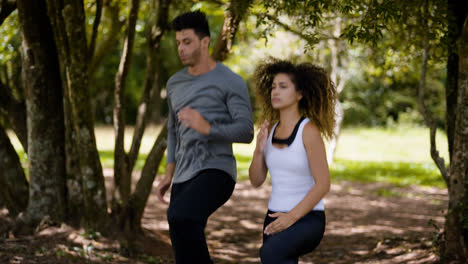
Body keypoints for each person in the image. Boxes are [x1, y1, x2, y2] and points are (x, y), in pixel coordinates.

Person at [155, 10, 254, 264]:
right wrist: (169, 172)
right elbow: (173, 131)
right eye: (178, 42)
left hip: (217, 170)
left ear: (205, 42)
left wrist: (207, 128)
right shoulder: (174, 83)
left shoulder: (231, 81)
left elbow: (246, 131)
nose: (181, 48)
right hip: (183, 174)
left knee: (181, 217)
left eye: (187, 42)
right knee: (181, 234)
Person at [249, 58, 337, 264]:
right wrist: (259, 151)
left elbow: (323, 184)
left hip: (307, 217)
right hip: (274, 216)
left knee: (270, 254)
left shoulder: (309, 131)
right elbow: (256, 180)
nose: (275, 92)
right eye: (273, 87)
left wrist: (291, 217)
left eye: (283, 86)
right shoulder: (269, 130)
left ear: (299, 94)